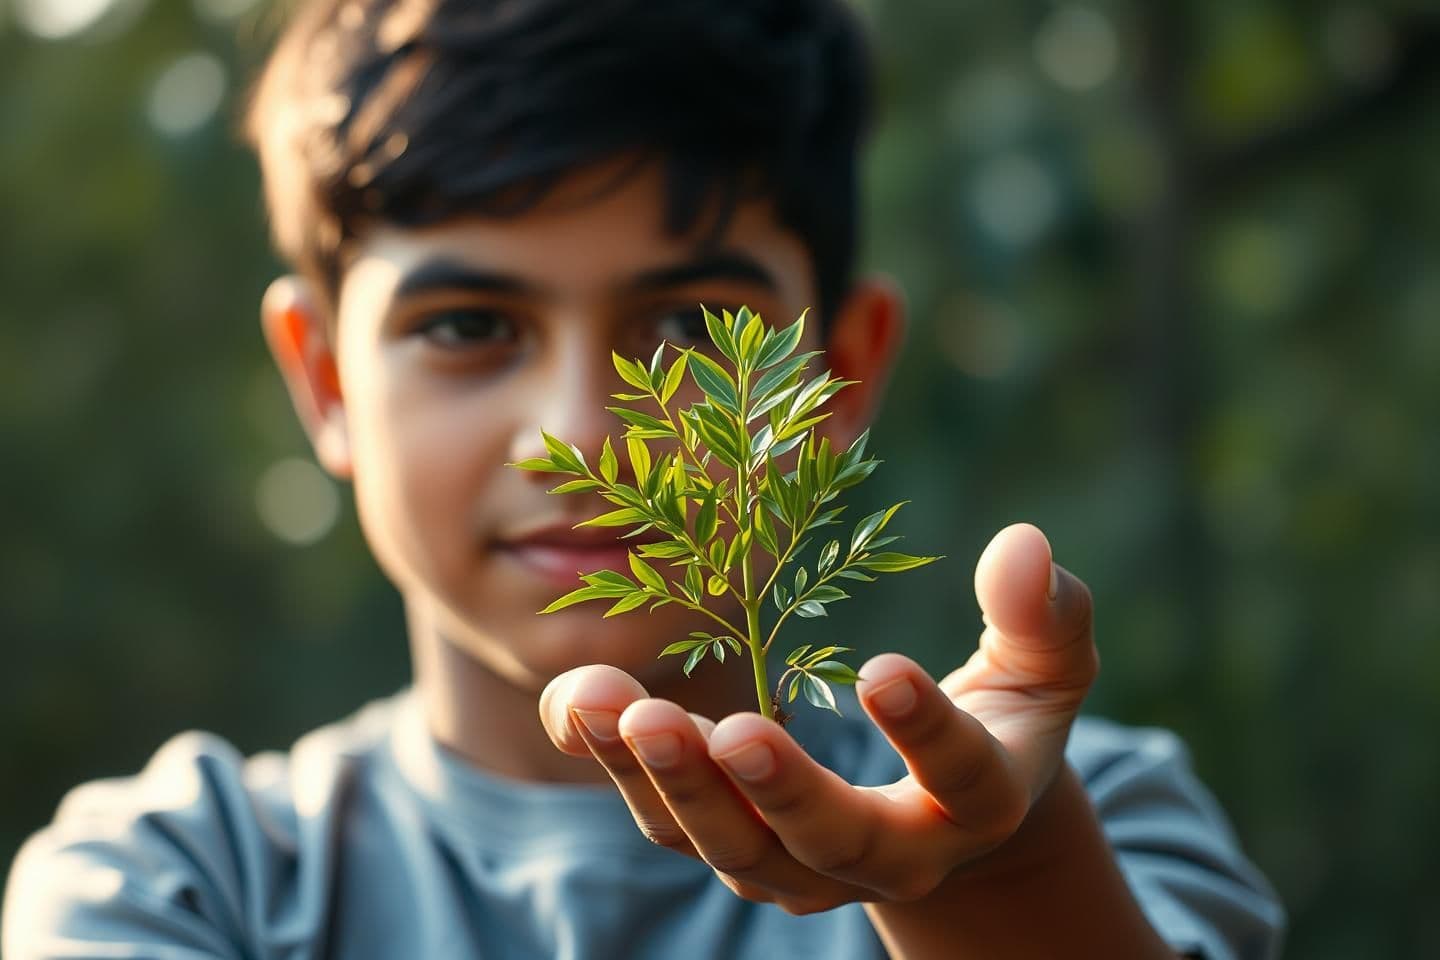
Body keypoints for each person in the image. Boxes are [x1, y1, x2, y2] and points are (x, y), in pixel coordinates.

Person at [2, 1, 1285, 957]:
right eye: (467, 327)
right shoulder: (175, 883)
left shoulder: (1083, 822)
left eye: (686, 333)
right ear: (324, 381)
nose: (585, 435)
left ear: (838, 376)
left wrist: (994, 885)